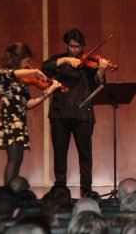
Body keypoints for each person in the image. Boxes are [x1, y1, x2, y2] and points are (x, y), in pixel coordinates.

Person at [41, 28, 110, 196]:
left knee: (85, 153)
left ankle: (86, 188)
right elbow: (45, 69)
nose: (76, 50)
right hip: (60, 113)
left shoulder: (88, 63)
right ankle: (59, 186)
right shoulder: (58, 60)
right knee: (60, 151)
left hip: (83, 113)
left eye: (79, 47)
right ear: (66, 45)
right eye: (72, 47)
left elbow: (98, 86)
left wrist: (101, 71)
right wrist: (65, 59)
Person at [0, 43, 61, 185]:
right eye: (27, 60)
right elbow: (14, 73)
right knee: (13, 158)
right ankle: (7, 193)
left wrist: (50, 91)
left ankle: (12, 192)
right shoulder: (4, 74)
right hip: (10, 121)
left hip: (20, 121)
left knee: (18, 159)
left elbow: (28, 103)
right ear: (19, 58)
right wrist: (34, 71)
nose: (28, 64)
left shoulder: (22, 80)